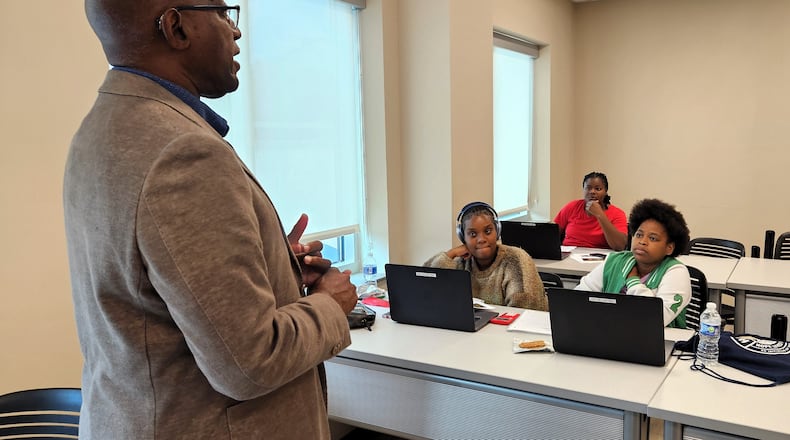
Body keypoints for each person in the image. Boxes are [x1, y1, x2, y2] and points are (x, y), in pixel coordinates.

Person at [63, 2, 358, 438]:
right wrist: (331, 305)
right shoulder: (182, 153)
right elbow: (249, 363)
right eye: (222, 13)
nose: (235, 32)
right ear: (175, 27)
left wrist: (271, 261)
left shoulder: (99, 130)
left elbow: (148, 287)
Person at [575, 198, 692, 328]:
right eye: (639, 235)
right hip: (610, 334)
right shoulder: (615, 261)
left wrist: (633, 281)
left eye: (652, 238)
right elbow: (578, 298)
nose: (642, 242)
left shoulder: (676, 272)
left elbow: (655, 319)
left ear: (669, 248)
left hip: (661, 343)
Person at [424, 202, 548, 311]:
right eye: (473, 234)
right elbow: (425, 286)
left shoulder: (515, 260)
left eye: (488, 231)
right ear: (463, 237)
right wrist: (450, 254)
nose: (481, 239)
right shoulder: (460, 261)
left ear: (497, 231)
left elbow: (524, 310)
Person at [553, 171, 628, 250]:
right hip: (569, 254)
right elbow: (551, 234)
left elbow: (620, 246)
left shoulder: (617, 214)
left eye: (598, 189)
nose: (592, 192)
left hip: (598, 257)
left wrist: (600, 215)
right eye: (588, 188)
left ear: (605, 191)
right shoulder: (572, 206)